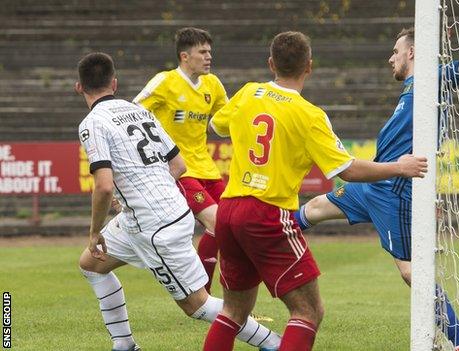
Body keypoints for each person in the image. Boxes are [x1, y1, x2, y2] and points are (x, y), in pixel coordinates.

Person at [202, 31, 429, 351]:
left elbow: (218, 126)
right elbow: (347, 170)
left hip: (229, 210)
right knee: (307, 312)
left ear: (271, 64)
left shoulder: (248, 93)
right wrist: (399, 167)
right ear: (309, 66)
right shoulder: (308, 115)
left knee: (233, 310)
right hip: (267, 213)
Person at [293, 9, 459, 351]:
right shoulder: (412, 87)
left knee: (411, 271)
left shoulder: (431, 78)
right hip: (371, 184)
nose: (390, 58)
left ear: (411, 53)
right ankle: (264, 239)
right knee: (318, 206)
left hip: (393, 191)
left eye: (396, 52)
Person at [76, 52, 281, 351]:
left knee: (197, 305)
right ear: (115, 83)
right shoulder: (139, 112)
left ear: (79, 87)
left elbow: (104, 186)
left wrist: (95, 231)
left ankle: (274, 343)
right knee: (91, 265)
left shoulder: (91, 123)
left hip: (155, 226)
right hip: (154, 214)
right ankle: (124, 345)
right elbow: (179, 166)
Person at [133, 27, 226, 294]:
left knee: (232, 227)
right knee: (218, 223)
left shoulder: (213, 84)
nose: (209, 57)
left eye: (210, 51)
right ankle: (204, 296)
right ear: (185, 56)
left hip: (208, 168)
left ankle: (227, 300)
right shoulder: (165, 81)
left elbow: (225, 121)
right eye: (203, 52)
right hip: (179, 170)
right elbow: (133, 112)